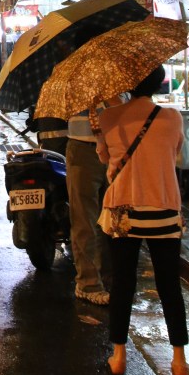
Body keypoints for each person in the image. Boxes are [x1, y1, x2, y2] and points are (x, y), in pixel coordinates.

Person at [96, 65, 189, 375]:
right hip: (164, 210)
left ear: (127, 84)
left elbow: (103, 158)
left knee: (123, 283)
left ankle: (119, 355)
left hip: (124, 213)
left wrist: (102, 123)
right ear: (158, 83)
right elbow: (175, 153)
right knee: (169, 285)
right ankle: (179, 361)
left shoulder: (110, 117)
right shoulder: (173, 118)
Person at [66, 105, 112, 305]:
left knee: (112, 218)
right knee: (85, 218)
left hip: (117, 147)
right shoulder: (75, 79)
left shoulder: (116, 78)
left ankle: (108, 278)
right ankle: (88, 284)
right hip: (82, 147)